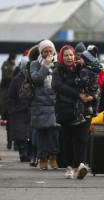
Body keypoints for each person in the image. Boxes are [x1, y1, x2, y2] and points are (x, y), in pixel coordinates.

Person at [52, 45, 98, 179]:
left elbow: (95, 84)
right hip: (65, 109)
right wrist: (78, 94)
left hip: (84, 108)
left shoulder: (83, 67)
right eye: (66, 55)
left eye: (71, 55)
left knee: (82, 139)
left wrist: (93, 96)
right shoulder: (58, 71)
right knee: (68, 140)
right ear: (61, 57)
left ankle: (81, 165)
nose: (69, 57)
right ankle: (69, 168)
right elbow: (58, 86)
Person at [30, 39, 60, 170]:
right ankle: (42, 158)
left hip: (54, 102)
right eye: (45, 51)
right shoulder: (34, 64)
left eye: (50, 50)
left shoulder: (59, 64)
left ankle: (53, 157)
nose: (49, 53)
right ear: (41, 52)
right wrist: (45, 65)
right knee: (41, 131)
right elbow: (36, 80)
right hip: (40, 103)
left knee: (54, 131)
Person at [6, 56, 32, 162]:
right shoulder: (16, 80)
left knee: (30, 135)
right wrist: (12, 109)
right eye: (25, 68)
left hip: (29, 111)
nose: (26, 70)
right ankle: (23, 153)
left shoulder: (33, 79)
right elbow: (10, 96)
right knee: (20, 136)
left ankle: (29, 154)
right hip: (18, 112)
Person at [72, 46, 102, 125]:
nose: (79, 60)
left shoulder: (85, 70)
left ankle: (80, 117)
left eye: (81, 58)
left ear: (85, 60)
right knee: (95, 100)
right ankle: (95, 112)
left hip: (88, 89)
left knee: (80, 101)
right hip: (94, 88)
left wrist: (76, 80)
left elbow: (82, 83)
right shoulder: (95, 68)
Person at [0, 53, 16, 149]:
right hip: (7, 95)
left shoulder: (13, 66)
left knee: (13, 122)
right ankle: (10, 141)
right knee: (9, 121)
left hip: (12, 96)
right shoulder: (6, 65)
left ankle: (13, 141)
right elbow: (6, 77)